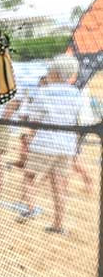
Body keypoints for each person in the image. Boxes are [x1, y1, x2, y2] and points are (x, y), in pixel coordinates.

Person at [17, 55, 83, 234]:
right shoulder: (76, 93)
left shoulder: (43, 92)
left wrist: (28, 137)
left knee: (29, 176)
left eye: (50, 69)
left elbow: (34, 120)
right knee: (59, 184)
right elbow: (79, 119)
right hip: (66, 145)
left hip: (44, 143)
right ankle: (59, 225)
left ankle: (30, 209)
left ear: (55, 72)